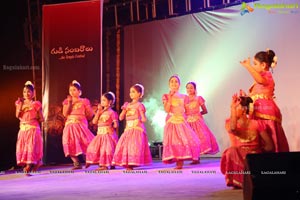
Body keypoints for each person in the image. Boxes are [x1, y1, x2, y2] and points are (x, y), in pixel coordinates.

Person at [220, 94, 274, 189]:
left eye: (237, 107)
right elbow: (233, 129)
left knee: (251, 156)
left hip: (253, 157)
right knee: (231, 151)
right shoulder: (229, 123)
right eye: (234, 108)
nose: (234, 109)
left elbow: (269, 146)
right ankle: (239, 180)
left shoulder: (257, 124)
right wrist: (232, 108)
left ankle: (253, 178)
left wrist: (259, 152)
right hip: (238, 155)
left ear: (244, 109)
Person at [240, 49, 289, 152]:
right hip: (259, 111)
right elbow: (256, 94)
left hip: (265, 112)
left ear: (263, 65)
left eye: (255, 64)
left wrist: (248, 67)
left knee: (268, 138)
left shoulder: (267, 75)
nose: (253, 66)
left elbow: (260, 80)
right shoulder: (258, 80)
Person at [162, 75, 201, 169]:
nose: (174, 83)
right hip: (171, 121)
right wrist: (170, 98)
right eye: (171, 81)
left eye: (176, 81)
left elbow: (187, 111)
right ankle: (177, 161)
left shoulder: (184, 97)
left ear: (179, 84)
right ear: (169, 84)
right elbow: (167, 110)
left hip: (181, 121)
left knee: (183, 141)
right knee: (173, 141)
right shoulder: (166, 96)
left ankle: (180, 162)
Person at [112, 84, 152, 170]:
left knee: (133, 146)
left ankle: (132, 163)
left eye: (133, 92)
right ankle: (127, 163)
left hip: (136, 128)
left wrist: (143, 118)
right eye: (130, 92)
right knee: (125, 145)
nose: (131, 93)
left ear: (139, 94)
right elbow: (120, 117)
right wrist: (124, 110)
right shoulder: (127, 105)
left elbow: (143, 118)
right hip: (128, 129)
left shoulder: (139, 105)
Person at [62, 80, 95, 170]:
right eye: (70, 90)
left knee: (84, 141)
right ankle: (76, 163)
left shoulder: (84, 101)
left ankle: (88, 159)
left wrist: (87, 111)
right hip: (69, 124)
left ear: (79, 92)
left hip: (80, 124)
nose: (72, 92)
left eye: (74, 90)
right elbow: (65, 114)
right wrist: (69, 103)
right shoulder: (66, 101)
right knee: (69, 142)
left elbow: (90, 114)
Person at [185, 81, 219, 162]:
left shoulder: (198, 98)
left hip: (197, 122)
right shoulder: (184, 99)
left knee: (199, 139)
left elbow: (205, 111)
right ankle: (194, 158)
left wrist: (197, 114)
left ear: (194, 89)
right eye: (188, 88)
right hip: (187, 122)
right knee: (190, 140)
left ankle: (197, 158)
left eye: (191, 88)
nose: (189, 89)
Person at [15, 81, 44, 174]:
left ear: (33, 93)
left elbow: (42, 118)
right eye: (24, 92)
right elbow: (17, 115)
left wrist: (36, 116)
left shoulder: (36, 104)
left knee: (31, 147)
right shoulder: (19, 103)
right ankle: (36, 163)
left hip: (33, 128)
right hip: (23, 129)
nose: (26, 94)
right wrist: (20, 106)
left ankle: (29, 166)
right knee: (23, 148)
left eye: (28, 91)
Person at [85, 92, 119, 170]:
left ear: (110, 102)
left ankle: (105, 166)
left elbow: (116, 125)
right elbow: (94, 122)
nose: (102, 102)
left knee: (106, 150)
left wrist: (114, 125)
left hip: (108, 135)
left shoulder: (112, 113)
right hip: (100, 135)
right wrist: (98, 112)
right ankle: (91, 161)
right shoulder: (100, 112)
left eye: (104, 100)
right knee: (92, 148)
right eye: (101, 100)